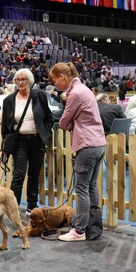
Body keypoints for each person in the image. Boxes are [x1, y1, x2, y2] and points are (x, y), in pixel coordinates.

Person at [48, 62, 106, 242]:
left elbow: (64, 123)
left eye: (55, 81)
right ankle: (92, 227)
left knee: (81, 188)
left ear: (62, 77)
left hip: (86, 144)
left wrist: (72, 123)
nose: (55, 85)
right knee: (91, 186)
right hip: (99, 143)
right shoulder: (86, 90)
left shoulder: (74, 94)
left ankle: (79, 231)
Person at [1, 68, 54, 215]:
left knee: (34, 175)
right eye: (18, 79)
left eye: (24, 79)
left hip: (37, 141)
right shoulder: (9, 100)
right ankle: (13, 207)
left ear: (30, 81)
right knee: (18, 175)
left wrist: (45, 131)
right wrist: (5, 144)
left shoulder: (40, 95)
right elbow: (5, 125)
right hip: (19, 142)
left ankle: (32, 205)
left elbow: (49, 117)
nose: (21, 82)